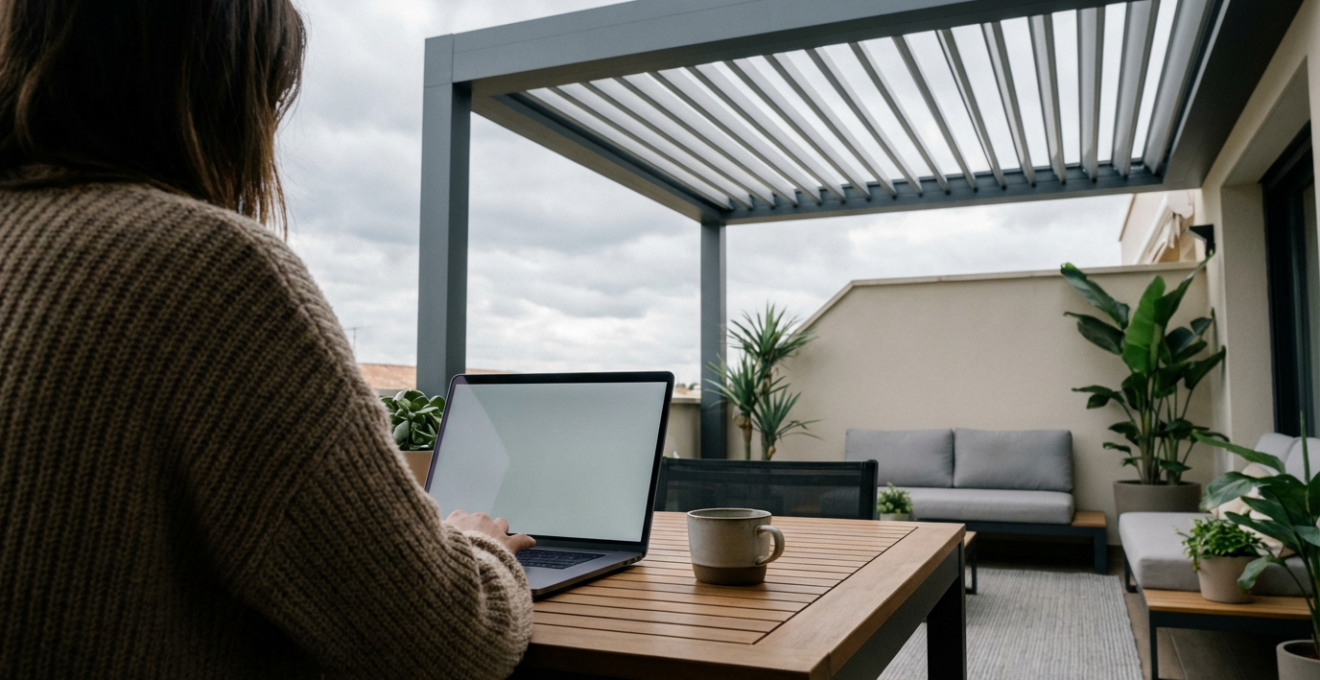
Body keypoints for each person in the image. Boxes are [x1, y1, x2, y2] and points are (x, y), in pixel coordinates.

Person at [0, 1, 536, 678]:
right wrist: (477, 549)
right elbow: (449, 640)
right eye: (271, 99)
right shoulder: (208, 270)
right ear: (219, 91)